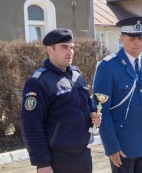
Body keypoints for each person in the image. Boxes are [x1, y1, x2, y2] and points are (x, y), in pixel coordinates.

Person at [93, 16, 142, 173]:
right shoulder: (108, 67)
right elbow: (101, 110)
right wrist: (111, 146)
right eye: (133, 38)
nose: (138, 42)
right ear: (121, 38)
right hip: (122, 146)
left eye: (141, 37)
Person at [20, 28, 101, 173]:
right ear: (49, 50)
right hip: (57, 160)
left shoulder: (76, 75)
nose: (70, 52)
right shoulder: (39, 82)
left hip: (83, 156)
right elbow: (31, 125)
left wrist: (93, 115)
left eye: (72, 48)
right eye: (64, 47)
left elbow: (87, 106)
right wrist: (42, 163)